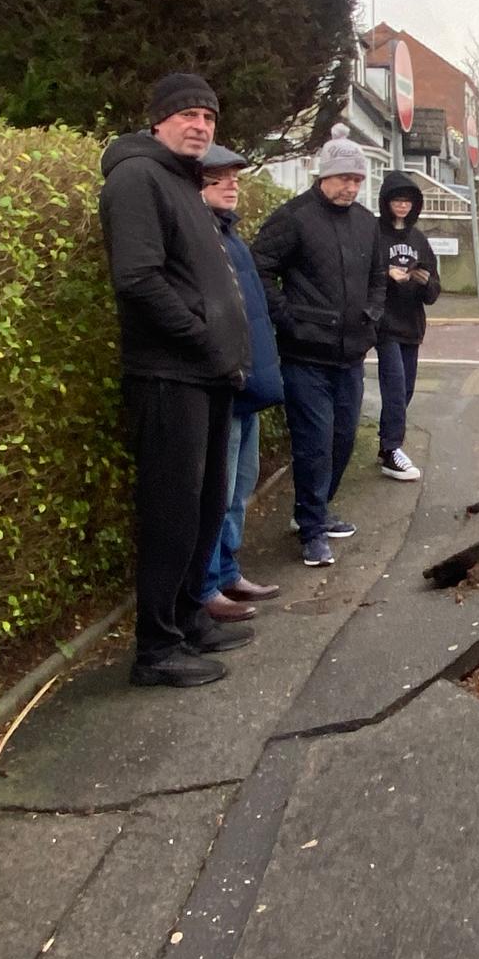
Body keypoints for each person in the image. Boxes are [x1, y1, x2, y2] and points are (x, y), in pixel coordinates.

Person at [98, 73, 252, 688]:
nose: (201, 126)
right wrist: (201, 335)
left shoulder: (183, 181)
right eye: (188, 114)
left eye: (209, 117)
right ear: (158, 121)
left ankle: (190, 617)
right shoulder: (136, 178)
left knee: (206, 506)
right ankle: (156, 649)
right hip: (168, 377)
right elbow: (137, 279)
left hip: (207, 375)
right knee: (170, 513)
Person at [252, 124, 386, 568]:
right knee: (314, 441)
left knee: (345, 438)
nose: (351, 187)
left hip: (350, 355)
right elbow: (260, 265)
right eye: (344, 178)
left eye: (357, 179)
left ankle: (316, 509)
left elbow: (378, 279)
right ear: (323, 175)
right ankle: (310, 530)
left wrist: (372, 316)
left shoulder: (368, 224)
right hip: (305, 355)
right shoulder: (294, 218)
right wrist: (286, 317)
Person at [196, 144, 284, 621]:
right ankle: (208, 586)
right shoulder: (201, 240)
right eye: (218, 178)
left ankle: (228, 572)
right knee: (219, 490)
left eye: (234, 177)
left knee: (240, 487)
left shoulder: (231, 237)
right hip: (226, 387)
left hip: (248, 385)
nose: (231, 185)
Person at [375, 171, 440, 482]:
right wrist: (387, 276)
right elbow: (363, 274)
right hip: (385, 325)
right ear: (386, 203)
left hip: (412, 325)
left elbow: (434, 289)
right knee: (395, 388)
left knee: (407, 388)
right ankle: (391, 449)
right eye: (397, 200)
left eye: (407, 201)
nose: (402, 206)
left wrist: (424, 281)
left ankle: (386, 443)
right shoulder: (375, 235)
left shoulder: (419, 239)